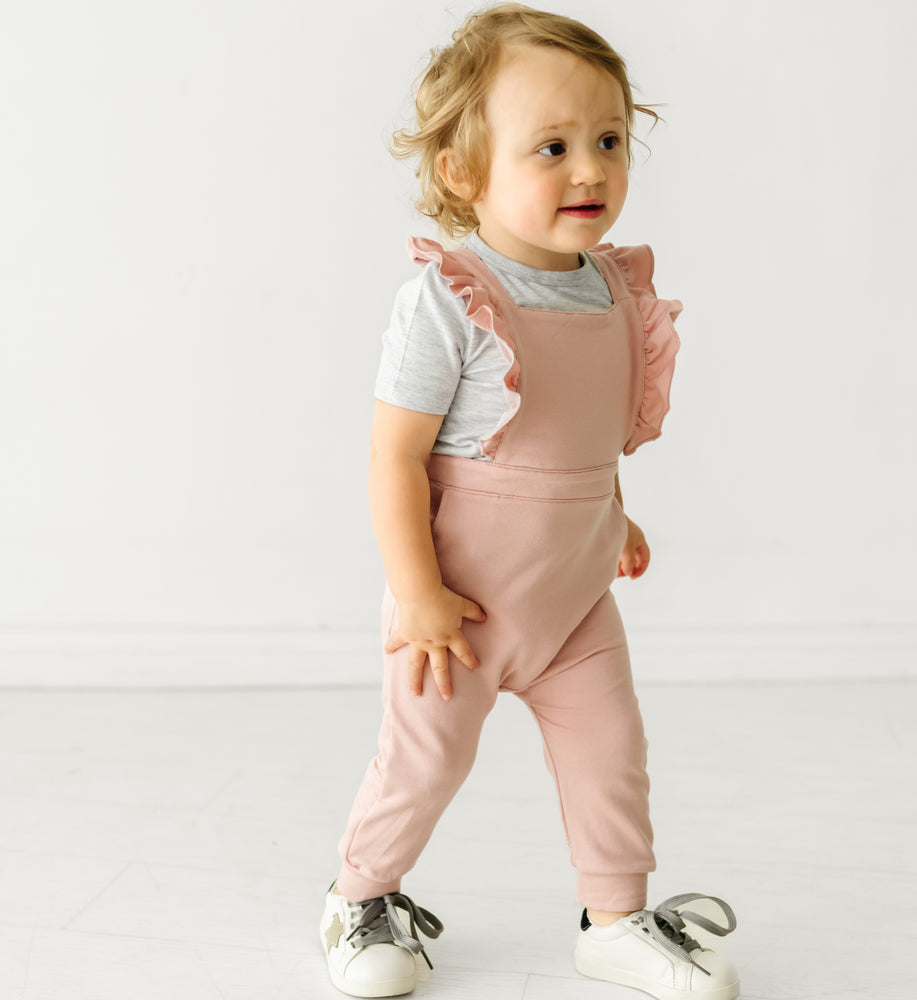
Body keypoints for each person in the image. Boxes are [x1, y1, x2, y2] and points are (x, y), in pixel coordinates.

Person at [319, 4, 739, 997]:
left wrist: (613, 511)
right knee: (422, 764)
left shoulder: (611, 290)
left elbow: (584, 434)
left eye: (607, 140)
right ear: (465, 173)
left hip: (573, 598)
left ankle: (615, 915)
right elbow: (393, 457)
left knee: (611, 753)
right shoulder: (450, 297)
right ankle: (358, 897)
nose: (589, 168)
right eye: (551, 146)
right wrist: (414, 590)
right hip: (457, 608)